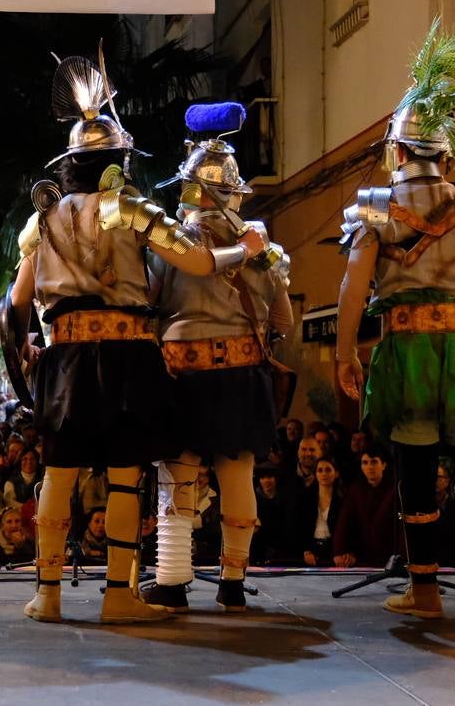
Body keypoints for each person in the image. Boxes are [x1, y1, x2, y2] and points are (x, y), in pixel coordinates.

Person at [6, 55, 271, 624]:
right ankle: (117, 597)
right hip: (126, 357)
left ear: (71, 162)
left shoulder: (42, 221)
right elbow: (198, 262)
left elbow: (15, 305)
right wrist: (242, 252)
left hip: (64, 359)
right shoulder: (132, 207)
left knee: (59, 475)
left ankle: (47, 595)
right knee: (125, 477)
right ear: (118, 160)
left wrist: (20, 373)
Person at [335, 20, 455, 622]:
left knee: (415, 468)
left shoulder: (375, 208)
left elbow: (353, 286)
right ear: (446, 155)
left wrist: (345, 353)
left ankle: (424, 592)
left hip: (409, 353)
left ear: (396, 152)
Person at [144, 101, 294, 613]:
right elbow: (285, 323)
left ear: (185, 189)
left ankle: (172, 581)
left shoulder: (170, 240)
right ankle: (231, 584)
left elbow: (150, 303)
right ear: (234, 190)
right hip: (240, 372)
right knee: (238, 477)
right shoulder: (263, 245)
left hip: (179, 373)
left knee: (178, 477)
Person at [332, 444, 399, 568]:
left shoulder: (395, 490)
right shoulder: (355, 490)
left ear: (384, 465)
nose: (369, 467)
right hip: (361, 555)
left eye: (374, 462)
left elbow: (401, 526)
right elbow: (344, 521)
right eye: (365, 462)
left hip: (390, 556)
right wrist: (340, 551)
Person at [294, 457, 344, 566]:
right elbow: (300, 527)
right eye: (320, 470)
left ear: (336, 473)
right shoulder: (306, 498)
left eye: (328, 470)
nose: (324, 473)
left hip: (335, 552)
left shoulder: (343, 500)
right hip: (311, 550)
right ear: (315, 474)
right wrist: (306, 550)